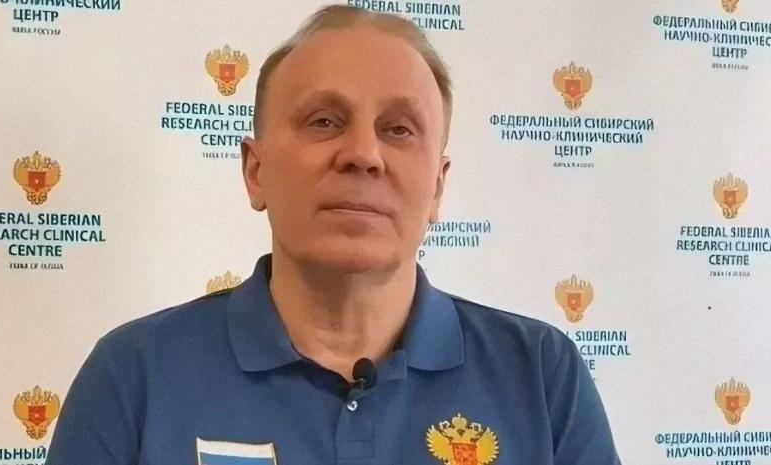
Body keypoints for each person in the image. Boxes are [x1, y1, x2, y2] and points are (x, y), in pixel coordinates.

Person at [46, 5, 621, 465]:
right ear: (256, 171)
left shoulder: (541, 375)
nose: (364, 154)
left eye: (399, 129)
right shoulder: (135, 375)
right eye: (325, 121)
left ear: (438, 187)